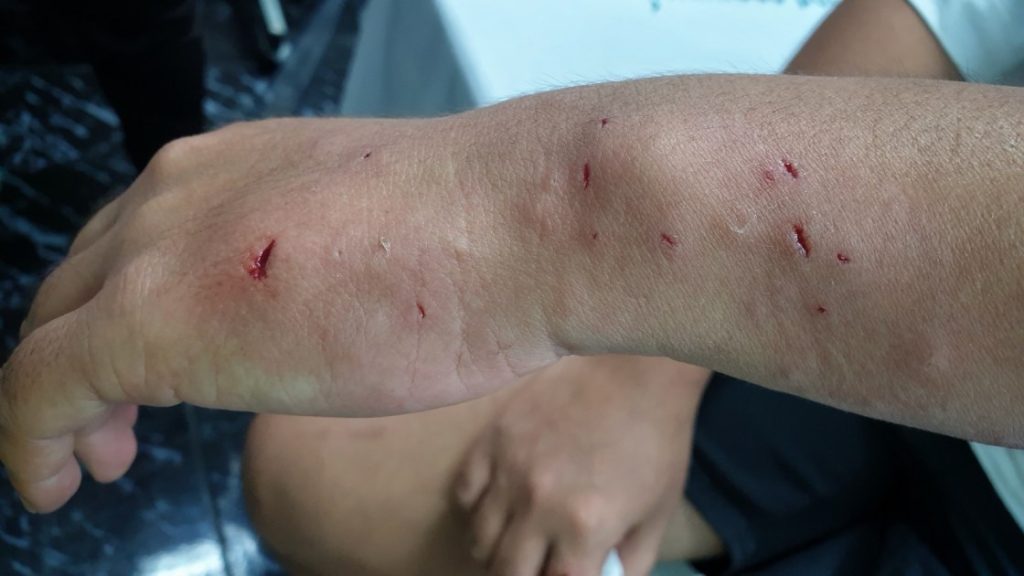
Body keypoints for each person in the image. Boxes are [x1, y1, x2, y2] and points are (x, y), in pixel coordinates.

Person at [0, 8, 1021, 565]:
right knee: (319, 473)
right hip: (893, 297)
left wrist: (568, 222)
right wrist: (644, 367)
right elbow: (945, 16)